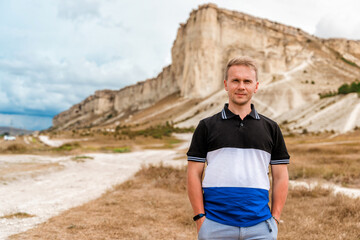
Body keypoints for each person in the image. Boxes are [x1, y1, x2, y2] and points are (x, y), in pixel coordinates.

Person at [187, 56, 290, 240]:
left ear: (256, 86)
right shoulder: (206, 126)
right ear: (226, 84)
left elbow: (281, 176)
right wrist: (200, 219)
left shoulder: (271, 128)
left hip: (261, 227)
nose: (241, 86)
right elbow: (193, 174)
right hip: (215, 225)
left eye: (247, 81)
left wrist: (275, 219)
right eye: (235, 80)